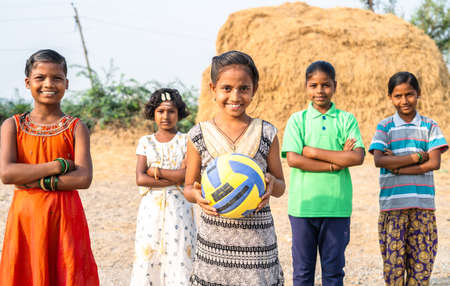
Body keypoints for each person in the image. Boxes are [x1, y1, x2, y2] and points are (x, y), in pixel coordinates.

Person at [184, 50, 285, 285]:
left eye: (244, 88)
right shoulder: (198, 135)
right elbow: (188, 187)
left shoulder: (266, 132)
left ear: (254, 90)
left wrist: (272, 184)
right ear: (213, 89)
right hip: (214, 242)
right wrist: (197, 196)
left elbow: (280, 186)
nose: (235, 96)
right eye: (227, 88)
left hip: (257, 244)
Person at [0, 49, 99, 285]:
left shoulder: (76, 127)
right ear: (27, 82)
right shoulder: (12, 125)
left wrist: (37, 181)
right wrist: (57, 165)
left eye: (56, 78)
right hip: (27, 218)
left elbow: (83, 178)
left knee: (66, 271)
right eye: (40, 78)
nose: (49, 84)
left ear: (66, 83)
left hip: (65, 218)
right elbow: (7, 173)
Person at [281, 61, 365, 286]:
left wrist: (313, 152)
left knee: (334, 273)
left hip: (336, 207)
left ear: (335, 86)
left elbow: (357, 157)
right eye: (314, 85)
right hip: (303, 207)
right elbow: (294, 159)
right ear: (306, 87)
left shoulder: (346, 119)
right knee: (302, 273)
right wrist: (336, 162)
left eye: (325, 85)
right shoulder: (298, 120)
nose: (320, 91)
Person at [368, 72, 448, 285]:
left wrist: (399, 167)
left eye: (409, 94)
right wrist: (415, 157)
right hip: (392, 208)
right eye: (398, 96)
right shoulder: (384, 127)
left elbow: (434, 163)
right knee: (394, 271)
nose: (404, 101)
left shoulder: (430, 126)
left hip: (423, 208)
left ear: (418, 94)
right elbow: (379, 161)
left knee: (421, 271)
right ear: (390, 97)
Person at [130, 88, 196, 286]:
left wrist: (156, 172)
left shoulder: (187, 141)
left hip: (180, 210)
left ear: (179, 113)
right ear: (153, 113)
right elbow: (140, 178)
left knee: (180, 252)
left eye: (171, 111)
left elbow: (188, 176)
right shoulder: (146, 142)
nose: (165, 116)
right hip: (151, 210)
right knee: (149, 253)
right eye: (160, 111)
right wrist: (175, 177)